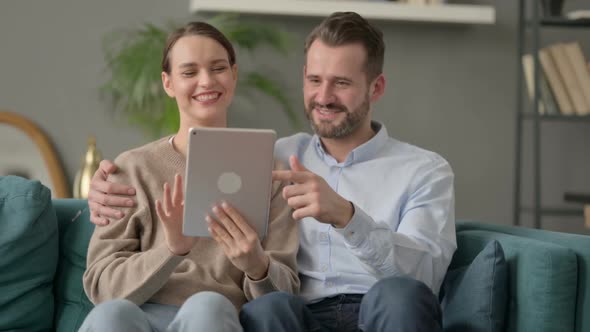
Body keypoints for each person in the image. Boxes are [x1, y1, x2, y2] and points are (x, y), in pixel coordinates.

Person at [89, 12, 456, 332]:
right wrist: (98, 188)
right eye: (314, 80)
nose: (324, 96)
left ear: (376, 87)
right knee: (270, 308)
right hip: (297, 314)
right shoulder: (267, 158)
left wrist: (346, 216)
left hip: (382, 307)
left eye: (341, 83)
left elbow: (424, 279)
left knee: (399, 295)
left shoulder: (423, 170)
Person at [79, 21, 299, 332]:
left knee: (206, 305)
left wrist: (257, 265)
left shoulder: (270, 172)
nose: (206, 81)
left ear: (234, 74)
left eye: (218, 68)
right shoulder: (132, 168)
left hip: (217, 316)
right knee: (109, 316)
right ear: (168, 83)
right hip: (138, 314)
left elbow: (285, 294)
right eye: (189, 72)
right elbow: (101, 286)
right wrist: (171, 250)